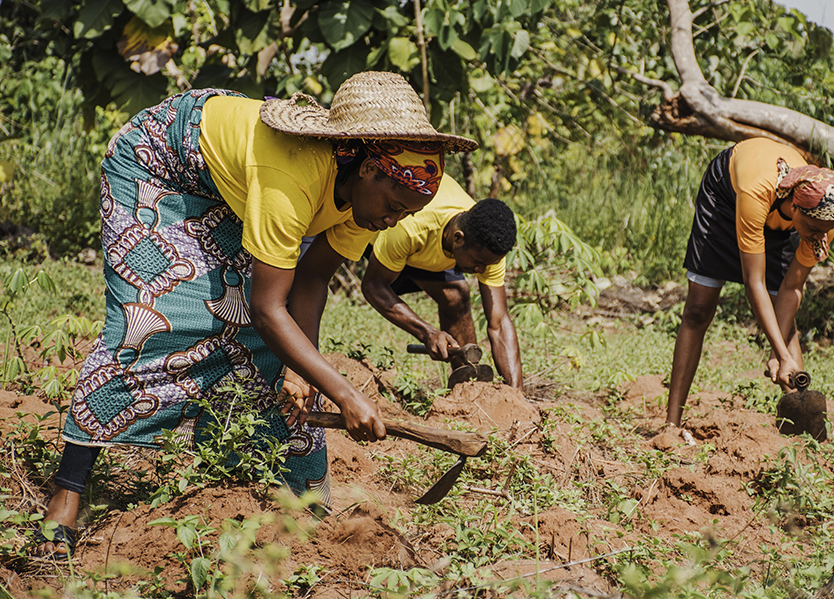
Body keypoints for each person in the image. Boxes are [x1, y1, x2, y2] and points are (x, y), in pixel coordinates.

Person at [33, 71, 477, 557]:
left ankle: (302, 502)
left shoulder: (365, 204)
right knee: (151, 322)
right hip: (159, 164)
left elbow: (310, 281)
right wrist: (345, 393)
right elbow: (270, 309)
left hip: (235, 187)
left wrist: (298, 370)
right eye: (393, 206)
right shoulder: (293, 176)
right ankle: (67, 494)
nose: (392, 222)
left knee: (276, 353)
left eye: (404, 216)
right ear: (368, 170)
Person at [666, 137, 834, 428]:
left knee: (786, 328)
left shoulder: (824, 219)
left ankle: (801, 432)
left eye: (824, 233)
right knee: (698, 308)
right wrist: (782, 354)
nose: (817, 238)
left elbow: (792, 288)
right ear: (795, 208)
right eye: (812, 230)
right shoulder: (756, 192)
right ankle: (671, 425)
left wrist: (780, 355)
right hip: (727, 198)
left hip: (780, 215)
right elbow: (754, 283)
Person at [361, 192, 522, 388]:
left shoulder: (490, 246)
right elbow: (373, 286)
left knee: (455, 296)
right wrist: (428, 333)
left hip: (425, 249)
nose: (481, 270)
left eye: (487, 265)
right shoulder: (411, 228)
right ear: (458, 238)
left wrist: (517, 394)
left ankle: (468, 389)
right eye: (477, 263)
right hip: (381, 239)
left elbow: (499, 323)